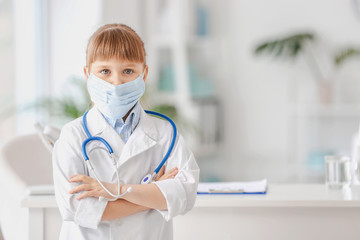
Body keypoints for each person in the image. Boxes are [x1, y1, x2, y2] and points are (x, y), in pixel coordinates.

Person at [52, 23, 200, 240]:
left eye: (128, 71)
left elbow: (184, 196)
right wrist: (151, 193)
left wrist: (113, 190)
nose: (116, 82)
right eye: (105, 71)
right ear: (87, 74)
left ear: (144, 73)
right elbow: (76, 209)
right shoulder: (72, 136)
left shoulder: (166, 134)